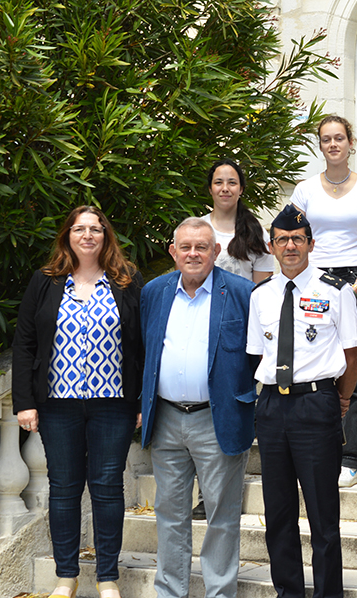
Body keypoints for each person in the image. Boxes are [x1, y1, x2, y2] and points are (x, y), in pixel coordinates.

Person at [13, 206, 143, 598]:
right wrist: (24, 402)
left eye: (96, 229)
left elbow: (141, 344)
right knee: (64, 490)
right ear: (67, 235)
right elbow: (25, 343)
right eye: (79, 228)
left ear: (107, 235)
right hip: (58, 403)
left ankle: (107, 578)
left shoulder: (126, 280)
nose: (88, 235)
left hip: (113, 404)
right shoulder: (46, 281)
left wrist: (139, 401)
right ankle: (65, 577)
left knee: (107, 489)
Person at [247, 204, 357, 598]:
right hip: (272, 408)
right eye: (283, 240)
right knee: (278, 513)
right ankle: (288, 592)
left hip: (316, 404)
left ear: (311, 244)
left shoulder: (336, 290)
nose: (291, 246)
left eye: (298, 239)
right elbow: (254, 355)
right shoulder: (260, 295)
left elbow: (353, 354)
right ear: (272, 247)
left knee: (322, 513)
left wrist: (341, 399)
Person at [139, 217, 256, 598]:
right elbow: (144, 351)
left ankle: (219, 593)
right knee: (170, 516)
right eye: (185, 247)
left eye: (201, 247)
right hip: (167, 419)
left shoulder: (241, 292)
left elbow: (257, 356)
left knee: (222, 517)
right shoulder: (154, 292)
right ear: (173, 252)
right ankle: (170, 592)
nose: (193, 254)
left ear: (216, 252)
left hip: (217, 418)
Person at [290, 114, 357, 488]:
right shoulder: (304, 189)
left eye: (339, 138)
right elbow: (294, 239)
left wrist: (356, 287)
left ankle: (350, 458)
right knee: (315, 368)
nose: (333, 144)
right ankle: (317, 451)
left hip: (353, 280)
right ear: (320, 145)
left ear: (351, 143)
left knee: (354, 371)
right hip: (314, 280)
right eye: (326, 139)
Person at [192, 157, 273, 520]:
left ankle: (225, 492)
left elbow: (261, 291)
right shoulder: (196, 228)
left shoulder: (254, 232)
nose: (225, 188)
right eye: (219, 182)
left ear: (241, 189)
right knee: (198, 413)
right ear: (210, 188)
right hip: (197, 330)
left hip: (237, 334)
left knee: (231, 412)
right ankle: (201, 494)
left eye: (232, 182)